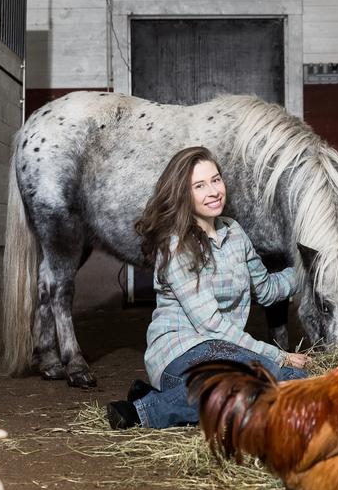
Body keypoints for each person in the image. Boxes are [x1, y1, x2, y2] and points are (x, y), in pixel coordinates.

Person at [106, 146, 310, 430]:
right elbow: (211, 325)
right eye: (199, 186)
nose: (213, 191)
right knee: (266, 379)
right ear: (183, 195)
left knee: (291, 381)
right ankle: (143, 410)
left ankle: (160, 398)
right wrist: (277, 354)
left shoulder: (235, 233)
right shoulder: (177, 245)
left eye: (216, 180)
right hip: (180, 353)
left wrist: (308, 272)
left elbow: (265, 289)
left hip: (224, 353)